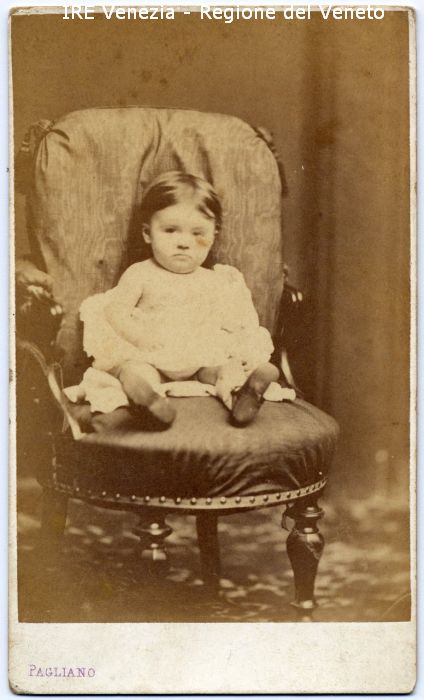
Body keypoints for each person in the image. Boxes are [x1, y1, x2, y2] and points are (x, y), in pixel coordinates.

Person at [80, 171, 280, 427]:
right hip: (151, 353)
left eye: (198, 233)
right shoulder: (140, 274)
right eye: (171, 230)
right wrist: (138, 337)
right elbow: (114, 311)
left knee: (222, 369)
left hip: (199, 359)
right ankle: (148, 400)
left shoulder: (217, 280)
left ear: (214, 235)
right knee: (136, 369)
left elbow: (235, 325)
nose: (184, 242)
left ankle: (241, 395)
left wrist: (242, 354)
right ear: (148, 233)